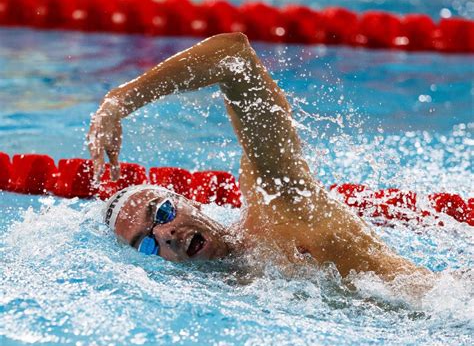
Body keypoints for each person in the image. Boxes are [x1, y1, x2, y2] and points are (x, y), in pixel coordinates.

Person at [88, 33, 432, 286]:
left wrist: (119, 102)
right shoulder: (230, 290)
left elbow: (234, 59)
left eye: (162, 211)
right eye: (147, 244)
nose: (166, 233)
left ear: (188, 200)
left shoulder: (276, 199)